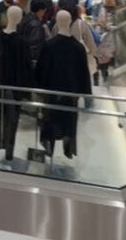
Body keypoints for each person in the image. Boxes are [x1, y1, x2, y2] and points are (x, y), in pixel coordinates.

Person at [37, 10, 94, 165]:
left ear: (57, 21)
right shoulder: (78, 48)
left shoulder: (49, 46)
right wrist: (85, 93)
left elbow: (41, 72)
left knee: (50, 124)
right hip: (70, 95)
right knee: (68, 125)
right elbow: (83, 73)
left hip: (52, 94)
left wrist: (38, 89)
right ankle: (67, 150)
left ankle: (49, 150)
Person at [0, 7, 32, 166]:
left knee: (0, 114)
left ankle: (0, 143)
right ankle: (9, 150)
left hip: (1, 80)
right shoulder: (22, 42)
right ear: (20, 19)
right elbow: (27, 66)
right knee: (13, 118)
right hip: (15, 84)